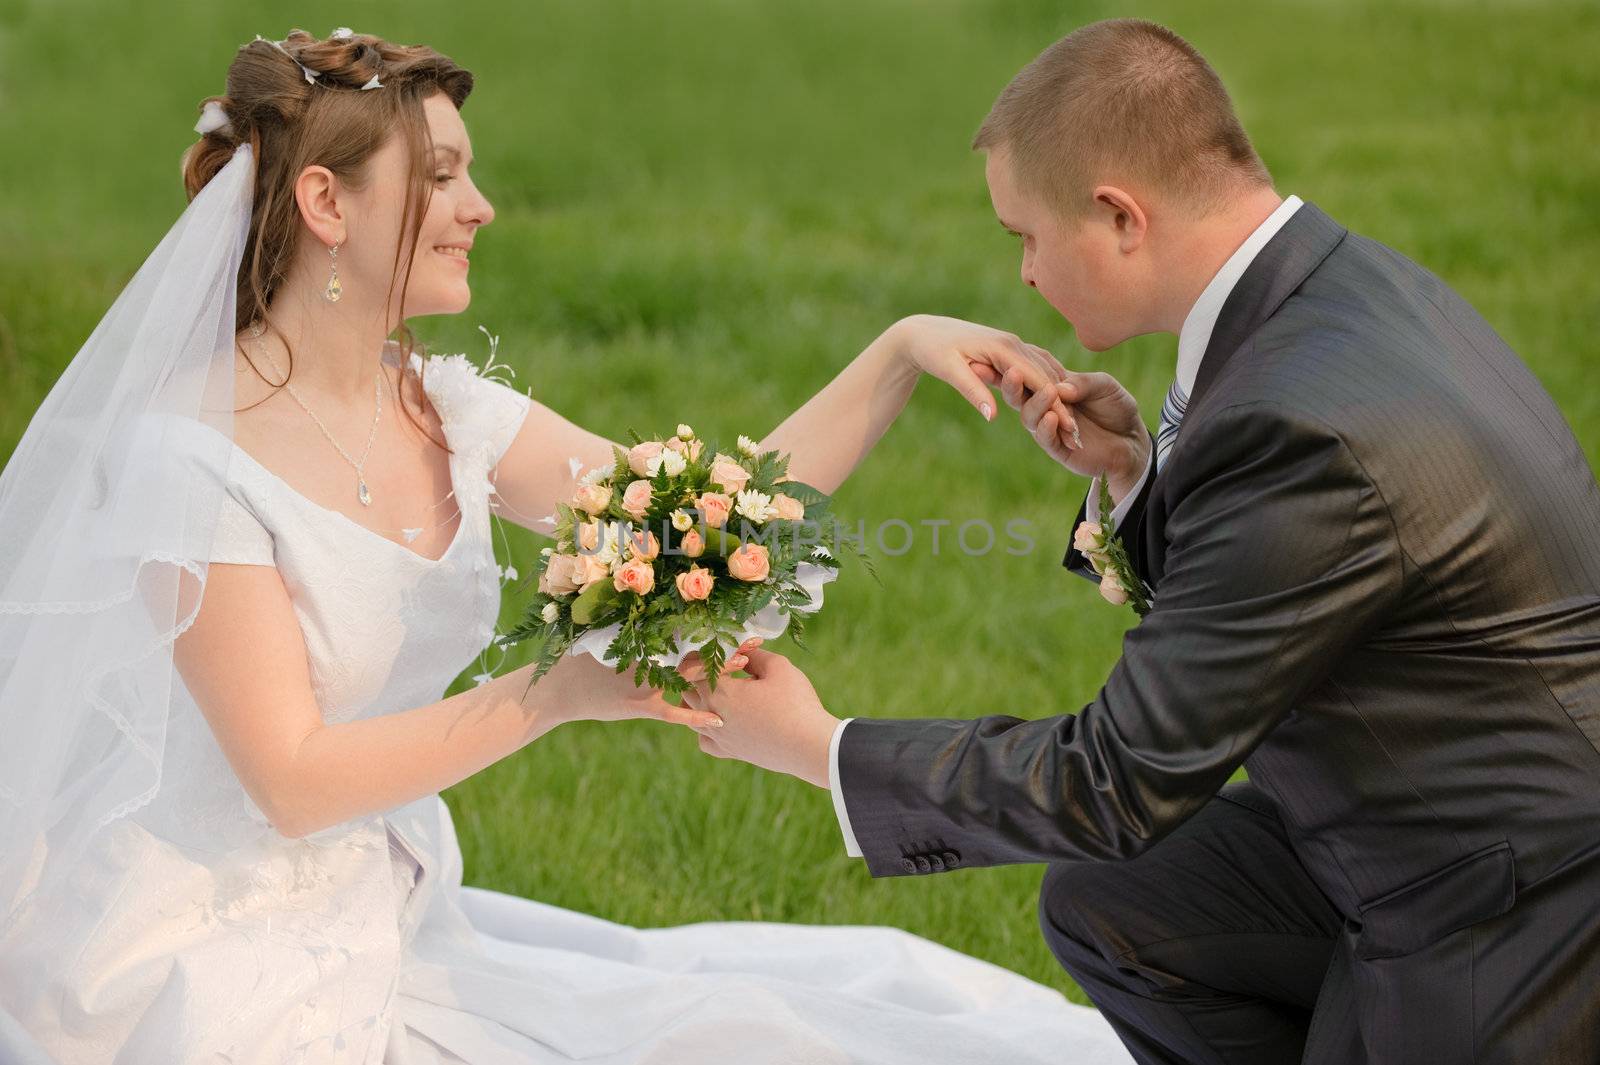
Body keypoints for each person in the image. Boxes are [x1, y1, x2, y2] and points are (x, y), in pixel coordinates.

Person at [0, 26, 1140, 1065]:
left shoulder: (440, 409)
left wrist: (897, 353)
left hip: (371, 900)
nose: (481, 206)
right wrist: (553, 696)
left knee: (787, 1027)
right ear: (324, 202)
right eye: (441, 176)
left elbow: (706, 525)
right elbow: (292, 780)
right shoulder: (191, 460)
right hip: (206, 957)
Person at [683, 17, 1600, 1064]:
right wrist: (1132, 479)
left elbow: (1115, 781)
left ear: (1119, 215)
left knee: (1116, 848)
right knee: (1118, 904)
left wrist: (820, 746)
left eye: (1023, 235)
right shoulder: (1332, 290)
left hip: (1511, 899)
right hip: (1441, 803)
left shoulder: (1294, 419)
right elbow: (1289, 585)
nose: (1024, 273)